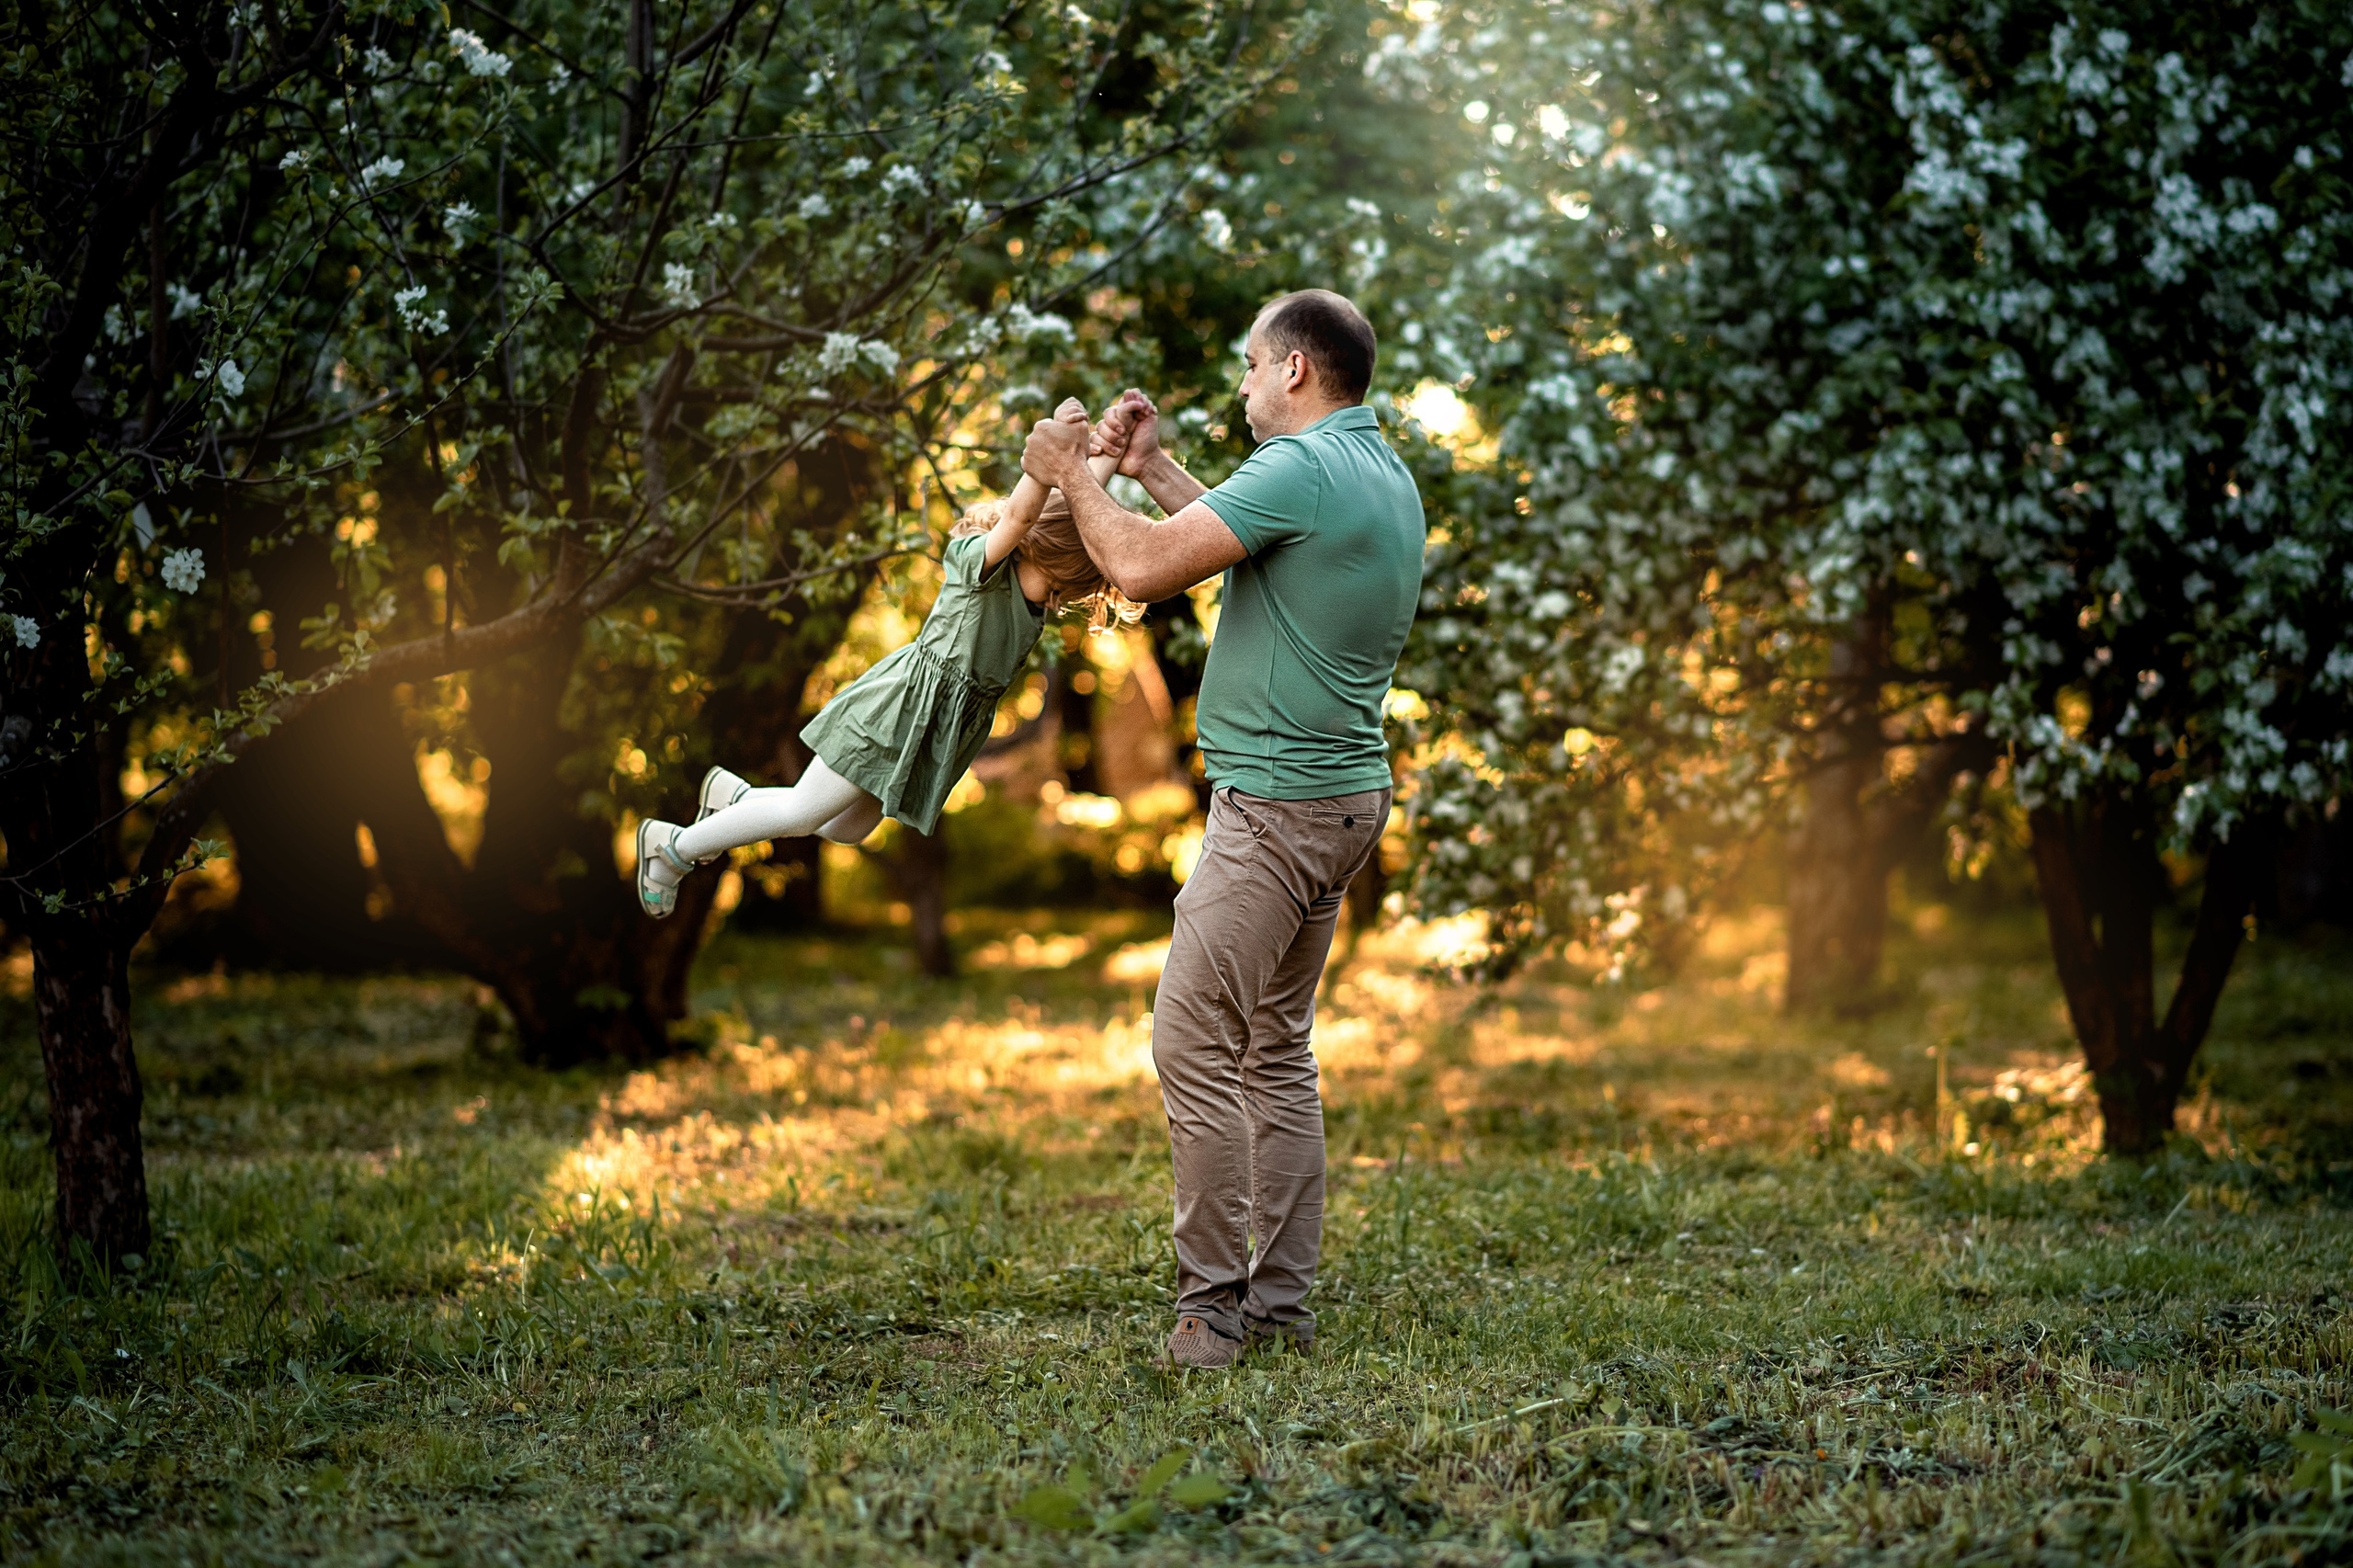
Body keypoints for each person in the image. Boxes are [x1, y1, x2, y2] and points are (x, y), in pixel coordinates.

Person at [1025, 289, 1427, 1368]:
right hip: (1341, 800)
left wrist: (1068, 472)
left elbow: (1148, 569)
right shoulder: (1374, 469)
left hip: (1277, 815)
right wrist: (1153, 472)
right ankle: (1280, 1308)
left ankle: (1210, 1311)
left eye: (1251, 364)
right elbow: (1242, 548)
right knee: (1273, 1050)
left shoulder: (1300, 468)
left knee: (1191, 1039)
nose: (1242, 382)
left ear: (1295, 369)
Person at [634, 399, 1129, 916]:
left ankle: (737, 800)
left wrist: (1107, 453)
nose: (1055, 600)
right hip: (897, 707)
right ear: (1037, 548)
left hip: (925, 724)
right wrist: (1053, 449)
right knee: (804, 813)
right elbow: (1031, 511)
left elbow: (1074, 512)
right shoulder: (981, 568)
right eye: (1057, 585)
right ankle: (672, 849)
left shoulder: (1030, 592)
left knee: (848, 827)